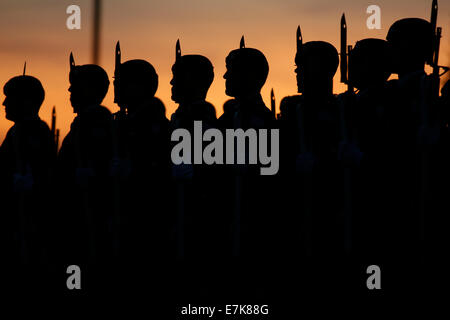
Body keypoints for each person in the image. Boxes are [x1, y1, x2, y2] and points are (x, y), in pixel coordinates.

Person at [0, 71, 55, 288]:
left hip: (30, 220)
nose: (4, 102)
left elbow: (48, 176)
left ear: (27, 101)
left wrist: (32, 184)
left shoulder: (36, 132)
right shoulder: (16, 131)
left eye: (10, 97)